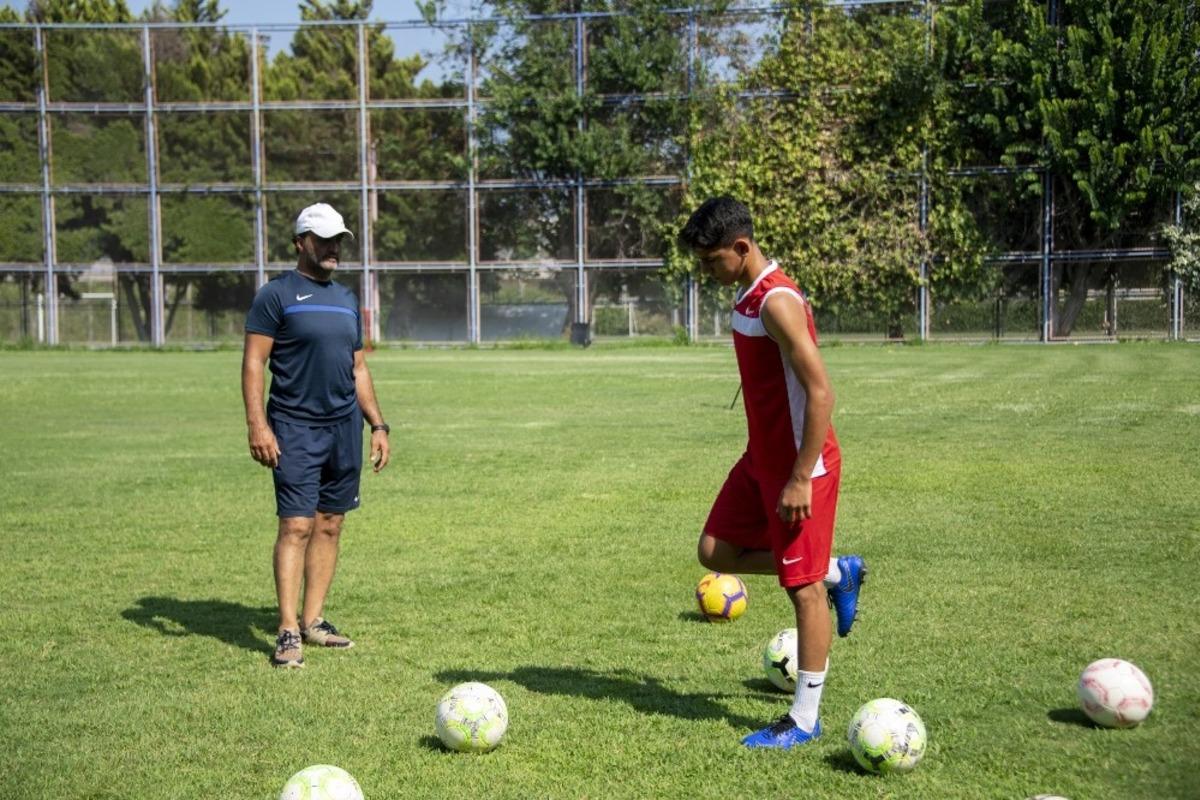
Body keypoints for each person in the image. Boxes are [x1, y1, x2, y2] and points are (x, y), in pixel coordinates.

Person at [678, 197, 866, 748]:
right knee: (716, 551)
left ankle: (804, 718)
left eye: (712, 260)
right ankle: (836, 571)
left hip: (799, 466)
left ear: (741, 247)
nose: (706, 271)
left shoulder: (777, 302)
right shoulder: (747, 291)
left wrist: (801, 476)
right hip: (759, 458)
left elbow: (821, 392)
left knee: (801, 590)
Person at [242, 202, 391, 669]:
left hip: (343, 428)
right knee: (296, 526)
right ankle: (288, 629)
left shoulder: (346, 299)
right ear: (300, 242)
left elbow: (357, 367)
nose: (333, 248)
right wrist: (257, 424)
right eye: (324, 240)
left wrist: (377, 424)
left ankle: (313, 620)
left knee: (330, 523)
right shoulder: (276, 296)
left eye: (338, 240)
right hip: (294, 427)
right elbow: (254, 363)